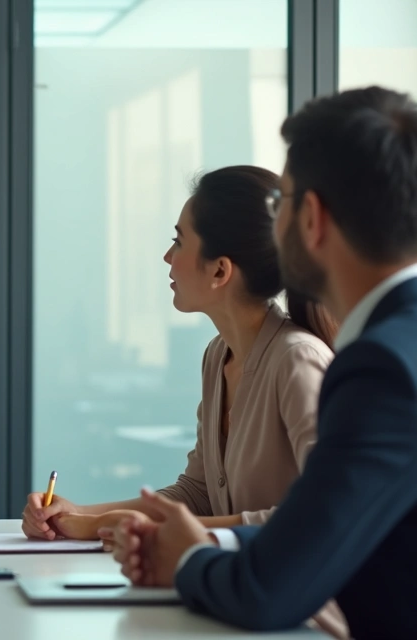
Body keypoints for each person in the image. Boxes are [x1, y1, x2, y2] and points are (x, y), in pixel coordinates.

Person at [108, 86, 417, 639]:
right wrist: (200, 540)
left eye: (284, 202)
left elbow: (269, 589)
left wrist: (187, 556)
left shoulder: (382, 367)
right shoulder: (390, 347)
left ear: (312, 219)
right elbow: (319, 530)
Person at [22, 166, 337, 542]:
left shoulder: (297, 361)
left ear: (220, 270)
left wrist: (119, 526)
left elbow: (322, 514)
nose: (167, 257)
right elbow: (197, 494)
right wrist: (77, 513)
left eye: (179, 241)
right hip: (223, 588)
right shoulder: (218, 355)